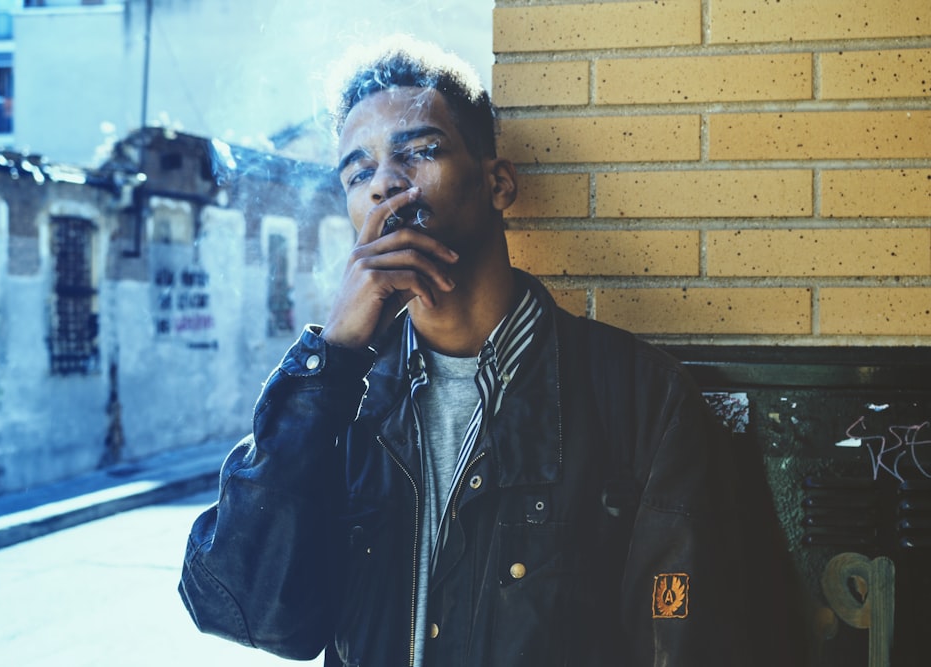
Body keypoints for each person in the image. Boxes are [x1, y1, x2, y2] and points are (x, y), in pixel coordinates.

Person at [179, 37, 799, 667]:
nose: (386, 184)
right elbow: (245, 611)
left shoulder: (639, 397)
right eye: (358, 172)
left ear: (497, 181)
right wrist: (334, 354)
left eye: (419, 151)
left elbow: (683, 643)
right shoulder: (339, 403)